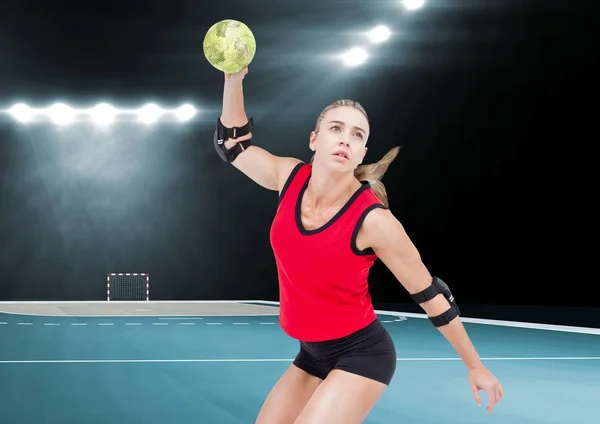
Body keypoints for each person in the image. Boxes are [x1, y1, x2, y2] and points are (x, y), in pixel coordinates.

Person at [214, 67, 503, 424]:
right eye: (335, 128)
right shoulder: (288, 177)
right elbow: (233, 145)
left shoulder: (374, 221)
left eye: (356, 135)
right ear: (314, 139)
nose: (344, 139)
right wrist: (233, 78)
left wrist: (475, 366)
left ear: (362, 151)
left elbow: (431, 294)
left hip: (362, 353)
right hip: (311, 354)